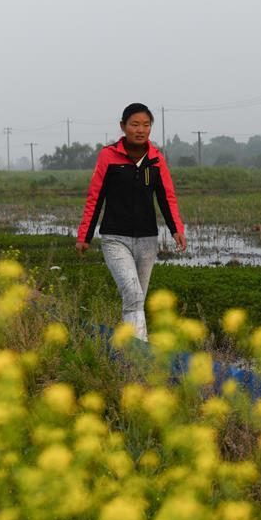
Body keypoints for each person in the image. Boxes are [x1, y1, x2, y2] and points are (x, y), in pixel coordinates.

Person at [76, 103, 186, 341]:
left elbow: (167, 196)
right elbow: (95, 197)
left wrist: (176, 228)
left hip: (147, 239)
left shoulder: (156, 159)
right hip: (115, 238)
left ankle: (129, 349)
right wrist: (84, 236)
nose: (141, 130)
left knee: (136, 299)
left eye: (146, 125)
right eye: (135, 124)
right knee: (133, 295)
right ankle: (141, 352)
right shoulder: (108, 155)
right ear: (123, 126)